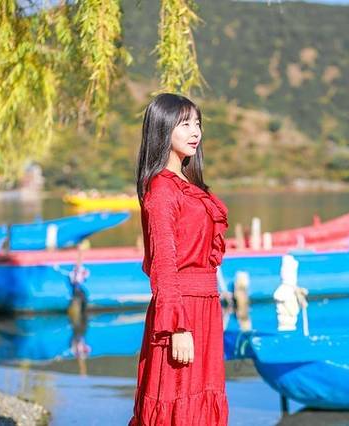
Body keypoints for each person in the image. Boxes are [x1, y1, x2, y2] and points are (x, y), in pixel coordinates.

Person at [129, 93, 229, 425]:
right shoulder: (162, 189)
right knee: (178, 400)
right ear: (163, 128)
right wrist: (177, 327)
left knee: (201, 399)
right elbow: (164, 264)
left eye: (197, 123)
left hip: (205, 307)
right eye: (185, 124)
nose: (195, 132)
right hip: (181, 310)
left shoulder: (190, 185)